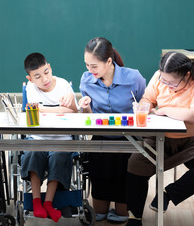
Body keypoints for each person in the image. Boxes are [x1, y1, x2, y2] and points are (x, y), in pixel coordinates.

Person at [125, 51, 194, 226]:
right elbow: (148, 99)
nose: (165, 84)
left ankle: (168, 194)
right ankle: (134, 218)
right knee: (136, 163)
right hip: (163, 137)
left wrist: (165, 110)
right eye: (163, 80)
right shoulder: (159, 76)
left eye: (171, 82)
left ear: (187, 75)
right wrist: (143, 106)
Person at [77, 37, 146, 223]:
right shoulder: (86, 80)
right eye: (87, 65)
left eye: (94, 66)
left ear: (109, 61)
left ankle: (125, 208)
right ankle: (103, 201)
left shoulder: (133, 78)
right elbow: (89, 119)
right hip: (101, 139)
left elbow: (146, 104)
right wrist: (85, 107)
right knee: (99, 213)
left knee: (123, 211)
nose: (90, 71)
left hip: (129, 140)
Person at [20, 52, 77, 222]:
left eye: (46, 72)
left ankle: (48, 203)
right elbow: (33, 111)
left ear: (50, 67)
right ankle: (37, 201)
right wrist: (60, 109)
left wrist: (46, 109)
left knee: (58, 156)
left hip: (62, 139)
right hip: (37, 138)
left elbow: (73, 111)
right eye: (37, 76)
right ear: (30, 79)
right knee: (33, 153)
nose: (44, 78)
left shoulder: (64, 85)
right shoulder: (30, 88)